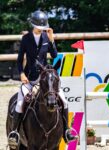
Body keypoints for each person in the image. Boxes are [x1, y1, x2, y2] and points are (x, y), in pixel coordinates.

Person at [8, 10, 78, 147]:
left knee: (63, 99)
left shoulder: (46, 38)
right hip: (29, 78)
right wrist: (21, 73)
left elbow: (54, 55)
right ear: (33, 25)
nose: (41, 30)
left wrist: (52, 40)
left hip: (46, 79)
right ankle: (15, 132)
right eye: (39, 28)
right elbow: (19, 59)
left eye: (43, 28)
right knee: (20, 102)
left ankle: (66, 131)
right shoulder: (26, 38)